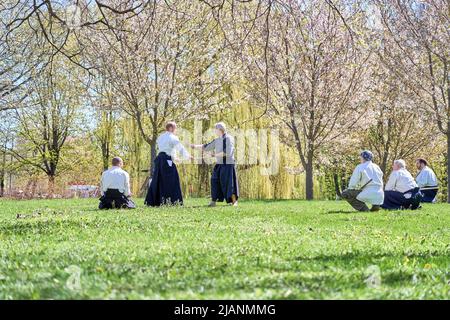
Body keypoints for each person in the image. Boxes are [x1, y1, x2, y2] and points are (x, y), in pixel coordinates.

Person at [191, 122, 239, 207]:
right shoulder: (217, 140)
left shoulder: (228, 138)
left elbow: (227, 152)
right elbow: (207, 146)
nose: (214, 131)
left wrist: (214, 155)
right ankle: (214, 201)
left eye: (215, 129)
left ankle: (234, 202)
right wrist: (194, 146)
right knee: (214, 180)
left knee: (229, 183)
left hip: (228, 164)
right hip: (219, 164)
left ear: (220, 129)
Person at [145, 121, 191, 206]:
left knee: (158, 179)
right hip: (166, 160)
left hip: (159, 160)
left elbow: (166, 149)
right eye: (175, 128)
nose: (175, 130)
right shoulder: (173, 137)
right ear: (171, 128)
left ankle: (156, 201)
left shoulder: (160, 137)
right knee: (171, 180)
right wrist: (188, 156)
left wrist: (175, 157)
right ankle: (170, 201)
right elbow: (179, 148)